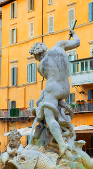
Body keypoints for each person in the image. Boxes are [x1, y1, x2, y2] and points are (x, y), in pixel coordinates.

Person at [29, 27, 80, 156]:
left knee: (49, 117)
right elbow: (77, 42)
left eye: (35, 57)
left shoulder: (40, 66)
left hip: (52, 89)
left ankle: (62, 145)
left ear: (37, 55)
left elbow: (48, 77)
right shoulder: (59, 46)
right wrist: (73, 33)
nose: (36, 59)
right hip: (66, 88)